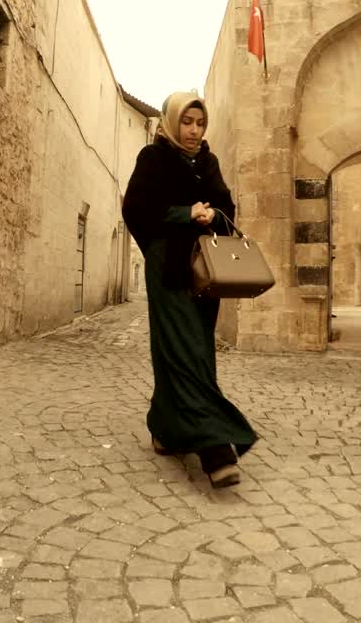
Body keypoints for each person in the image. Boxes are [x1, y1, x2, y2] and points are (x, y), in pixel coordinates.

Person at [121, 91, 257, 488]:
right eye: (187, 122)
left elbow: (228, 210)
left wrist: (214, 213)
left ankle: (164, 426)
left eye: (200, 123)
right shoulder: (153, 159)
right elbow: (136, 209)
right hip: (169, 267)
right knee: (184, 349)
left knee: (192, 347)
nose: (194, 130)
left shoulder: (209, 162)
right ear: (172, 122)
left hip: (206, 270)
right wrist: (185, 213)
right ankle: (214, 446)